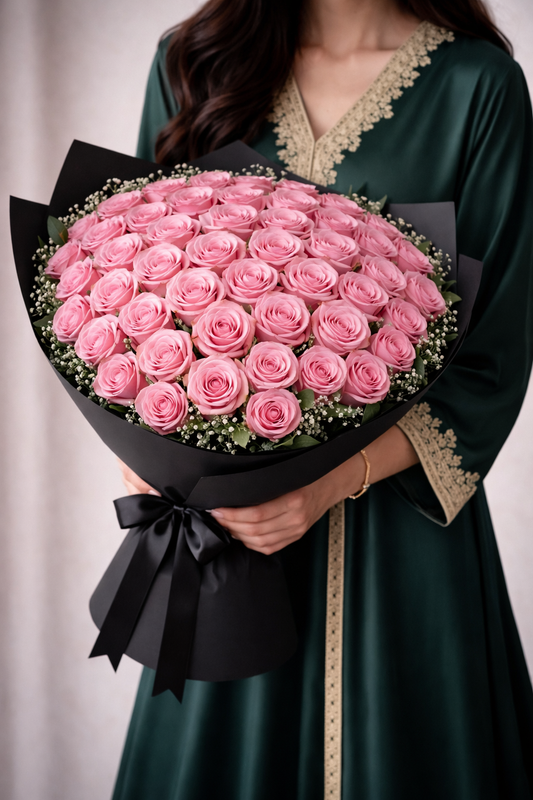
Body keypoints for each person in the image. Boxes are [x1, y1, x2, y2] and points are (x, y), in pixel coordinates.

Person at [113, 0, 533, 797]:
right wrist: (150, 455)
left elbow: (492, 361)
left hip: (405, 542)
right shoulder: (191, 64)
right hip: (224, 538)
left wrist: (329, 484)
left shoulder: (479, 87)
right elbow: (131, 290)